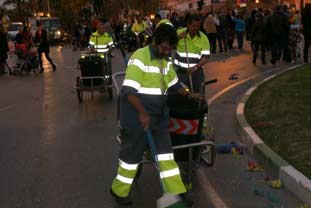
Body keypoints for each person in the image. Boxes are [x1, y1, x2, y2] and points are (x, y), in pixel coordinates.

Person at [110, 23, 196, 206]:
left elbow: (173, 83)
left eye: (170, 49)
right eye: (165, 48)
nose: (166, 52)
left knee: (166, 156)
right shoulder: (140, 57)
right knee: (131, 158)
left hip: (159, 117)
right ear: (155, 40)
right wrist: (142, 113)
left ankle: (176, 193)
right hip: (136, 118)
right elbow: (129, 92)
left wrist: (188, 93)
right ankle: (119, 190)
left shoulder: (164, 61)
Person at [174, 14, 210, 93]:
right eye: (193, 26)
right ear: (188, 24)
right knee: (183, 94)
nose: (196, 28)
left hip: (196, 73)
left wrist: (195, 67)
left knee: (199, 94)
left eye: (198, 26)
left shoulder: (203, 38)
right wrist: (178, 38)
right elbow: (167, 45)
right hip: (181, 73)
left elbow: (205, 57)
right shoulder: (179, 33)